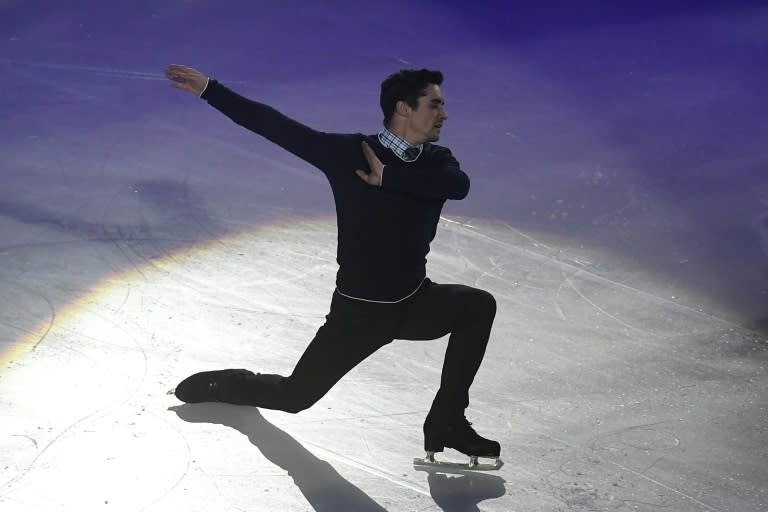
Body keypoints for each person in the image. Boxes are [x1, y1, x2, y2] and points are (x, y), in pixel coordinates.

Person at [165, 63, 501, 463]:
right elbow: (276, 127)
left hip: (413, 303)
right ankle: (233, 384)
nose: (444, 114)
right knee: (294, 398)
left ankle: (447, 420)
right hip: (358, 314)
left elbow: (457, 187)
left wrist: (388, 179)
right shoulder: (347, 154)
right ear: (404, 108)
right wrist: (209, 90)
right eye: (435, 104)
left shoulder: (437, 161)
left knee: (477, 306)